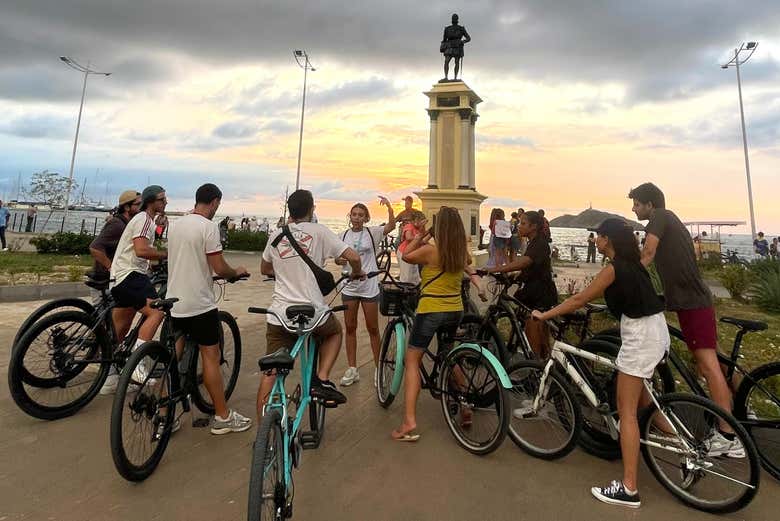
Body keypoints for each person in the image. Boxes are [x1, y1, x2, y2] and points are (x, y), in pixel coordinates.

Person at [531, 219, 670, 508]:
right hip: (656, 330)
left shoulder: (613, 268)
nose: (595, 240)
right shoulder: (634, 265)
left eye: (598, 237)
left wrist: (544, 316)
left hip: (640, 336)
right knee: (645, 401)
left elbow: (579, 298)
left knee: (627, 412)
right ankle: (683, 443)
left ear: (608, 240)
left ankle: (629, 488)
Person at [630, 182, 743, 455]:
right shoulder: (670, 220)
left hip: (692, 303)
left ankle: (729, 437)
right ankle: (741, 405)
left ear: (650, 205)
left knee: (707, 364)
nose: (633, 208)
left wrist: (624, 275)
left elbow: (648, 253)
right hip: (693, 300)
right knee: (714, 356)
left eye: (636, 203)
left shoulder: (660, 217)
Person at [257, 189, 364, 415]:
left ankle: (263, 439)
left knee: (271, 373)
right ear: (312, 209)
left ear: (290, 210)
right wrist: (357, 272)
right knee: (334, 332)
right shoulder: (320, 231)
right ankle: (321, 379)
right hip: (313, 313)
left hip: (279, 314)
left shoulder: (276, 235)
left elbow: (265, 268)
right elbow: (354, 257)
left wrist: (286, 272)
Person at [167, 183, 252, 435]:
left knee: (172, 357)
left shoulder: (176, 225)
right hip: (199, 304)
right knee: (211, 357)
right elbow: (218, 267)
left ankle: (164, 416)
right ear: (215, 202)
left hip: (175, 301)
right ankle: (223, 417)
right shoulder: (208, 227)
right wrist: (235, 272)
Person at [393, 206, 481, 441]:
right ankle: (464, 404)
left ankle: (409, 421)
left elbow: (406, 255)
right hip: (455, 310)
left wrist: (422, 235)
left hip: (431, 309)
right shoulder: (460, 252)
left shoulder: (431, 252)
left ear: (438, 228)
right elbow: (468, 264)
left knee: (412, 360)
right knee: (447, 354)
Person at [109, 185, 169, 382]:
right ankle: (136, 363)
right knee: (157, 311)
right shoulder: (144, 218)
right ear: (151, 202)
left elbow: (148, 250)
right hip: (130, 274)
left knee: (120, 329)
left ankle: (109, 376)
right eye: (162, 199)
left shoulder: (148, 221)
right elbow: (142, 250)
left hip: (120, 277)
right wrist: (170, 254)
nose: (165, 202)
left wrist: (159, 232)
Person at [336, 197, 396, 387]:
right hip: (349, 285)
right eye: (354, 214)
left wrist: (389, 208)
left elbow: (392, 226)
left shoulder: (373, 233)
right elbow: (337, 258)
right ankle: (352, 368)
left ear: (366, 218)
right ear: (350, 216)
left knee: (373, 328)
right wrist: (341, 261)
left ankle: (379, 368)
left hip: (368, 285)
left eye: (361, 215)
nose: (357, 218)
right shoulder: (342, 235)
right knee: (350, 327)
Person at [486, 211, 557, 357]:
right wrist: (516, 275)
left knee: (535, 334)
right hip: (535, 291)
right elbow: (532, 267)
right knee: (536, 333)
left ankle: (537, 370)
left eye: (523, 223)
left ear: (533, 227)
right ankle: (539, 364)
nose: (519, 226)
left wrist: (496, 269)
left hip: (540, 295)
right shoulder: (534, 242)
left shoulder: (539, 244)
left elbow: (525, 261)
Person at [398, 211, 426, 284]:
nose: (420, 222)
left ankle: (414, 289)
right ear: (414, 220)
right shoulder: (409, 226)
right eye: (419, 220)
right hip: (403, 252)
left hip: (413, 253)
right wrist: (417, 239)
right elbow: (408, 237)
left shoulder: (419, 228)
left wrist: (422, 227)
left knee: (414, 274)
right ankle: (405, 289)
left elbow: (423, 236)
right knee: (406, 275)